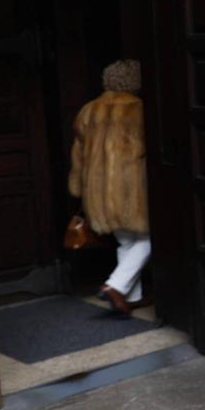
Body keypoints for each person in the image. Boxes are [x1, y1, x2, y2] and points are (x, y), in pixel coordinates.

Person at [68, 59, 151, 314]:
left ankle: (130, 297)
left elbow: (78, 156)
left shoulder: (88, 111)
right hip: (133, 190)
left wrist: (78, 189)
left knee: (126, 243)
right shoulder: (140, 109)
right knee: (150, 239)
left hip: (100, 193)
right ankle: (115, 286)